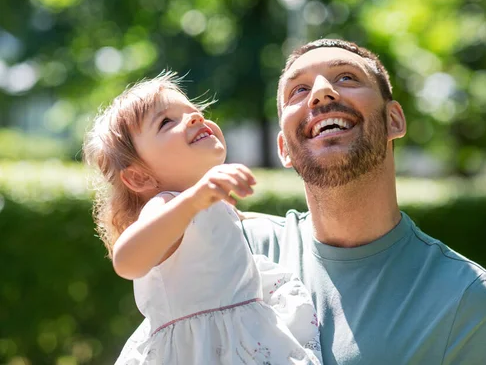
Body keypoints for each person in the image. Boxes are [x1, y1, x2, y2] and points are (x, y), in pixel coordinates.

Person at [121, 39, 486, 364]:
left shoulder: (469, 300)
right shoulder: (229, 246)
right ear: (284, 147)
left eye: (347, 78)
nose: (320, 92)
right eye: (299, 89)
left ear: (394, 120)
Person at [83, 72, 322, 364]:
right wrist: (194, 200)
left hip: (243, 341)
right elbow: (127, 261)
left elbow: (238, 224)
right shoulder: (167, 205)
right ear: (139, 176)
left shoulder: (207, 205)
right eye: (166, 122)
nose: (196, 118)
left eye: (195, 112)